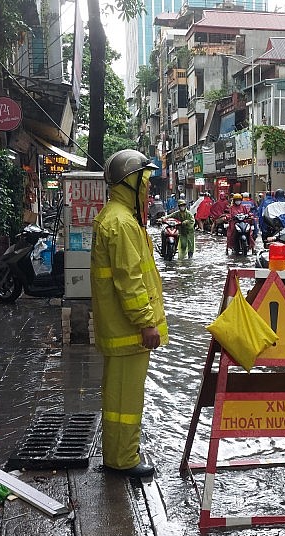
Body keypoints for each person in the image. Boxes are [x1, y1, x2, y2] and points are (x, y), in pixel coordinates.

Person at [92, 149, 169, 477]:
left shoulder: (117, 216)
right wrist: (146, 322)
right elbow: (130, 280)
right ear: (131, 182)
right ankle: (122, 460)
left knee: (117, 396)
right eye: (145, 181)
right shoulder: (122, 222)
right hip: (129, 330)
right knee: (125, 400)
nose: (149, 188)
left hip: (119, 327)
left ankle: (119, 453)